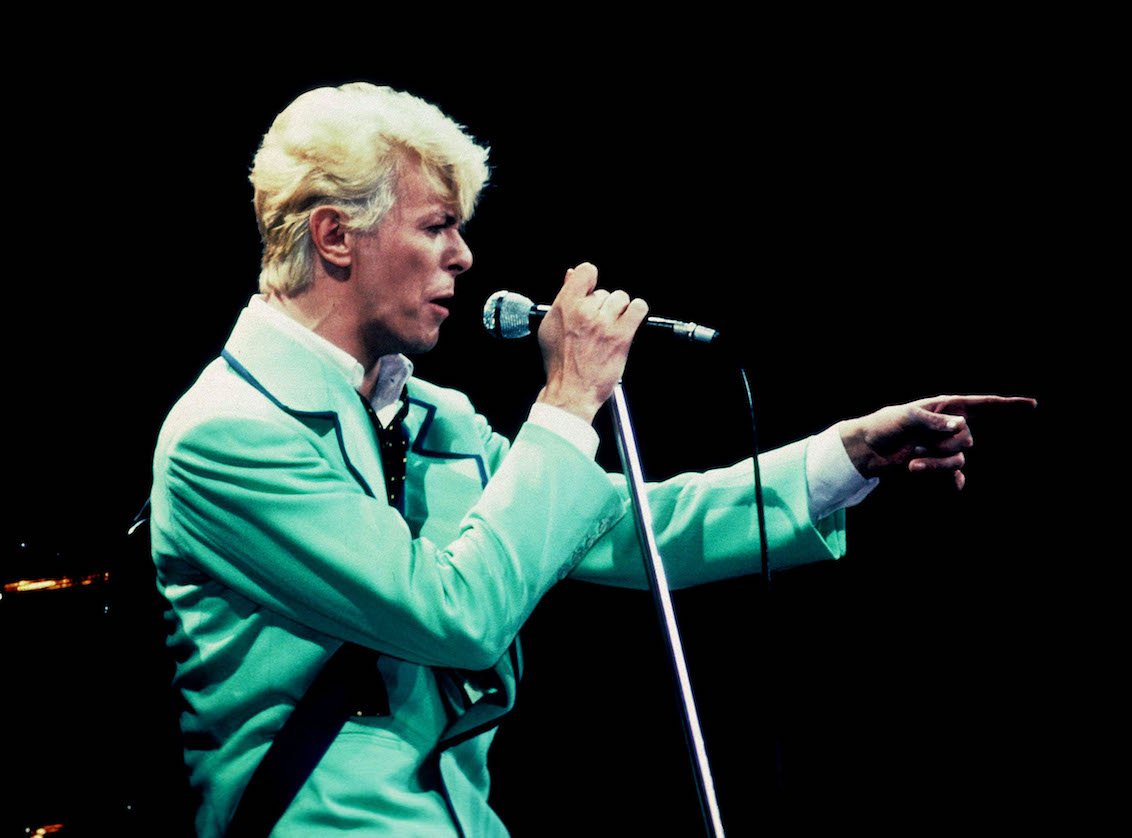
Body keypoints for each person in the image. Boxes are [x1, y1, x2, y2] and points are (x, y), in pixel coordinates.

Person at [149, 81, 1034, 836]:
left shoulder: (431, 415)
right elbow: (450, 616)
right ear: (337, 237)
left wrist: (845, 457)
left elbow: (623, 530)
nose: (463, 255)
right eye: (438, 226)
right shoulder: (230, 433)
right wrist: (568, 402)